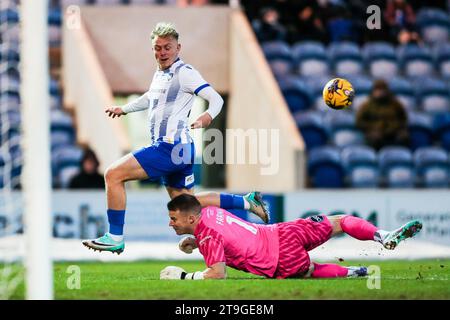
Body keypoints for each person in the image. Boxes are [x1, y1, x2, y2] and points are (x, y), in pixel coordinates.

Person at [82, 22, 269, 255]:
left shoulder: (186, 73)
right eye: (157, 48)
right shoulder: (161, 74)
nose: (162, 52)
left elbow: (216, 99)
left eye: (167, 47)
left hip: (170, 148)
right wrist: (125, 109)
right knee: (188, 204)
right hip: (179, 150)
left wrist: (207, 116)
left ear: (178, 48)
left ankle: (115, 236)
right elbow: (150, 98)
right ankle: (247, 202)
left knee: (113, 174)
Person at [160, 194, 422, 280]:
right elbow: (230, 235)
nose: (171, 224)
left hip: (278, 259)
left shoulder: (207, 238)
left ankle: (357, 272)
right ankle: (383, 235)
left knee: (308, 270)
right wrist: (194, 241)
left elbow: (217, 274)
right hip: (283, 232)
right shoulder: (211, 213)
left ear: (191, 219)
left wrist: (184, 276)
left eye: (174, 219)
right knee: (340, 221)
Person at [356, 79, 409, 151]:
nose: (380, 92)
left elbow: (403, 118)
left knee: (404, 137)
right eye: (378, 90)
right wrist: (371, 128)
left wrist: (398, 127)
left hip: (394, 131)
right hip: (376, 132)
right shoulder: (367, 105)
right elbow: (359, 121)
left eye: (382, 89)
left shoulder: (395, 104)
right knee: (375, 138)